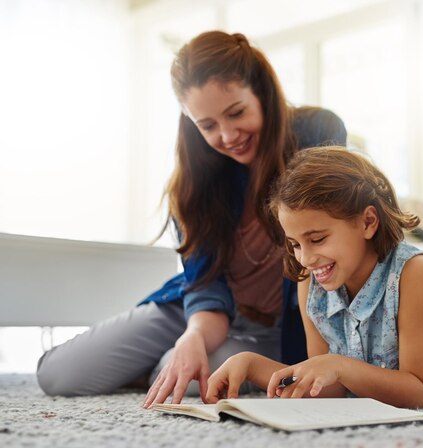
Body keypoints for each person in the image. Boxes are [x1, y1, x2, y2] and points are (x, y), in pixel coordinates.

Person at [36, 31, 347, 407]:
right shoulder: (194, 185)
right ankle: (168, 352)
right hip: (200, 312)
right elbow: (205, 286)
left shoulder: (317, 132)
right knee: (57, 374)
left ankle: (156, 363)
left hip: (274, 326)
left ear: (262, 94)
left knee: (188, 379)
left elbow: (327, 233)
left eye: (236, 113)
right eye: (208, 125)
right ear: (190, 121)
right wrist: (193, 337)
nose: (228, 135)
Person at [205, 146, 423, 408]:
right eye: (295, 244)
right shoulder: (309, 282)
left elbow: (420, 391)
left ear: (367, 222)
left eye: (317, 238)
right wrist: (251, 364)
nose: (305, 258)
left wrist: (339, 366)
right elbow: (328, 387)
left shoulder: (416, 275)